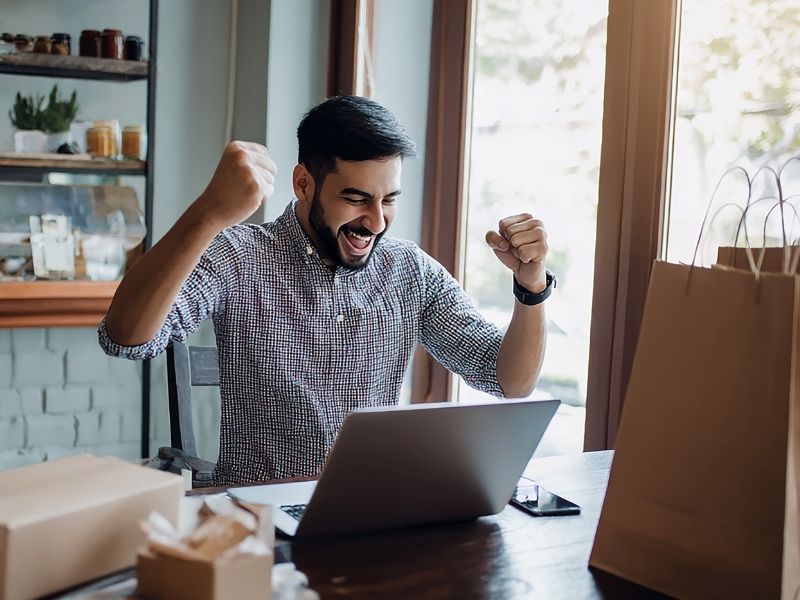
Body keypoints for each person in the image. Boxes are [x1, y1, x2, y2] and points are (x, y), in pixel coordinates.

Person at [99, 95, 553, 485]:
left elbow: (509, 382)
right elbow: (124, 338)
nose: (376, 221)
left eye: (389, 200)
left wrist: (530, 287)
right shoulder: (237, 256)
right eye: (356, 199)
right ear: (304, 184)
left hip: (372, 515)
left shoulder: (409, 270)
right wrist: (209, 213)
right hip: (260, 520)